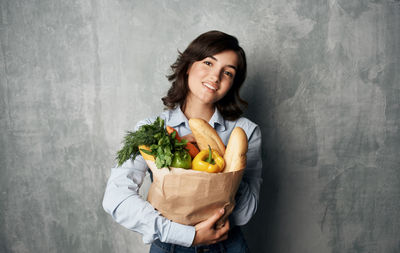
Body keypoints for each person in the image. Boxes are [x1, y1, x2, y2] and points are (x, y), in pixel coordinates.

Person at [102, 30, 262, 253]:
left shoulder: (244, 131)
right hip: (170, 245)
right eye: (208, 62)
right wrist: (186, 235)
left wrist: (225, 163)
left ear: (232, 84)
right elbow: (116, 197)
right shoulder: (152, 131)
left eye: (227, 73)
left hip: (227, 245)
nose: (215, 77)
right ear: (188, 66)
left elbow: (245, 212)